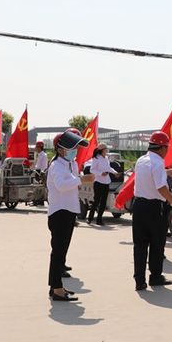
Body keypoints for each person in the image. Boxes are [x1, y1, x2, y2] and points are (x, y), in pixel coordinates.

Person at [132, 131, 172, 291]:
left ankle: (139, 280)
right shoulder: (158, 162)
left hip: (139, 205)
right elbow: (161, 187)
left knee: (140, 244)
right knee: (157, 243)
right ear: (162, 148)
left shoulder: (142, 160)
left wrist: (167, 172)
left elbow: (150, 175)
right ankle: (155, 276)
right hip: (154, 208)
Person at [46, 129, 91, 301]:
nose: (75, 151)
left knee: (61, 252)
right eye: (72, 148)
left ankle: (56, 286)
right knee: (58, 252)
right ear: (60, 149)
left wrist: (78, 180)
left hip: (68, 211)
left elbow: (72, 184)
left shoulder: (71, 164)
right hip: (60, 212)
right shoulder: (56, 165)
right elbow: (61, 185)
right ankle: (57, 289)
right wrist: (81, 180)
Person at [88, 143, 117, 225]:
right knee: (96, 201)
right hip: (98, 182)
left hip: (106, 182)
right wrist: (101, 173)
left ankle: (99, 220)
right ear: (102, 150)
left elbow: (108, 168)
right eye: (105, 149)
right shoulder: (96, 158)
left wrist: (115, 172)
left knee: (103, 203)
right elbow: (92, 170)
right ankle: (90, 218)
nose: (106, 150)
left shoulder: (106, 158)